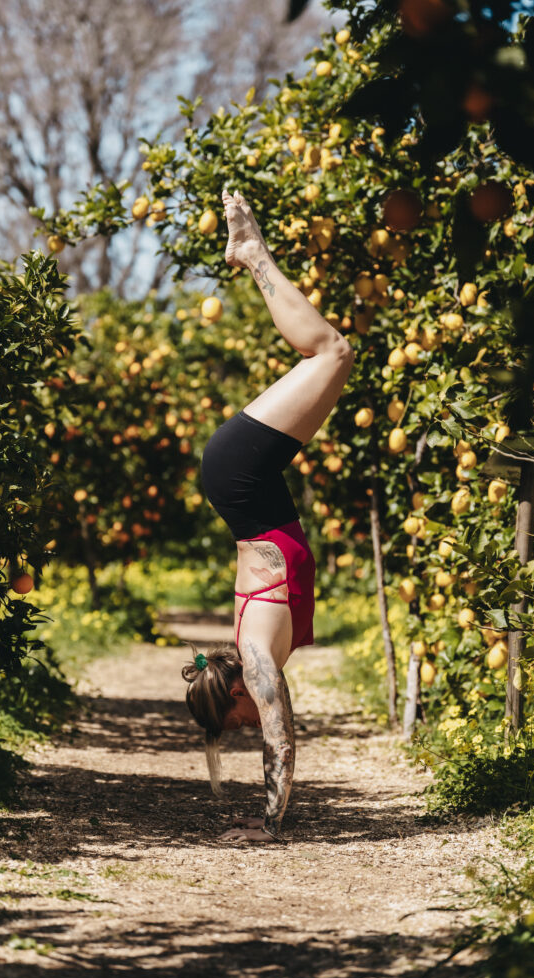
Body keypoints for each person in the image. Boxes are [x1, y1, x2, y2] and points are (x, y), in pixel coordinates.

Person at [182, 188, 354, 843]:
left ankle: (251, 254)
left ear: (234, 694)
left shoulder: (254, 656)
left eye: (237, 720)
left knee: (331, 354)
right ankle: (250, 253)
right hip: (245, 487)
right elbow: (271, 735)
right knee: (333, 354)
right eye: (241, 729)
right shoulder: (252, 655)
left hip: (239, 478)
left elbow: (281, 742)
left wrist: (267, 825)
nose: (253, 721)